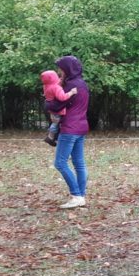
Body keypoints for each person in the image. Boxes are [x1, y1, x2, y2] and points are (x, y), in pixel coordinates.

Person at [52, 56, 90, 209]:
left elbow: (55, 106)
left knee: (60, 163)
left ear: (67, 69)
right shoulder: (83, 84)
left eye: (61, 68)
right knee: (79, 163)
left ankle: (76, 195)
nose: (59, 71)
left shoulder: (70, 86)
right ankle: (80, 196)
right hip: (81, 127)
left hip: (69, 128)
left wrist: (47, 99)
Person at [40, 70, 77, 147]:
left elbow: (55, 82)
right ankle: (50, 137)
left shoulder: (46, 85)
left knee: (55, 122)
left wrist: (61, 79)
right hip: (58, 108)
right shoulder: (56, 87)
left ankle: (53, 137)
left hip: (50, 107)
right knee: (56, 123)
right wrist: (71, 92)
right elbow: (63, 97)